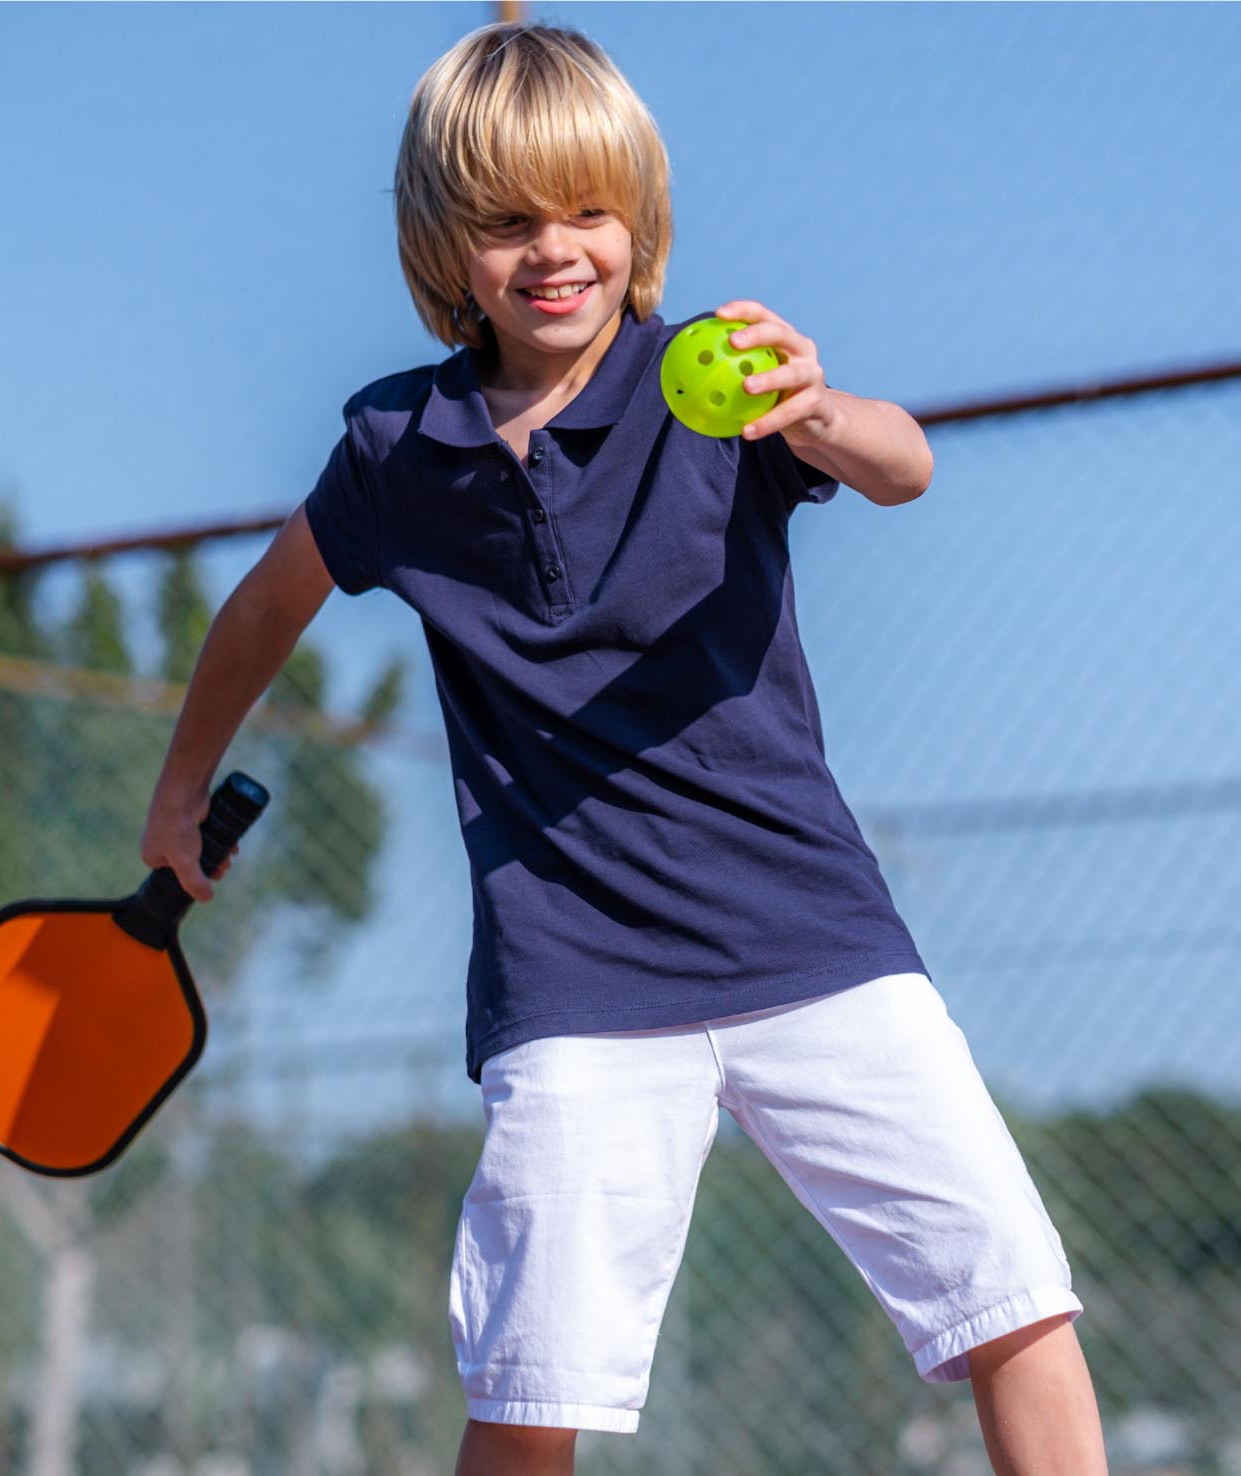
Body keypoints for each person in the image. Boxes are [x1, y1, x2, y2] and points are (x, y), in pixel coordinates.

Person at [141, 20, 1111, 1476]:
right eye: (507, 219)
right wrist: (174, 787)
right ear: (440, 241)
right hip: (574, 990)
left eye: (588, 210)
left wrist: (824, 409)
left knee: (1012, 1300)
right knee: (533, 1391)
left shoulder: (714, 382)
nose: (554, 250)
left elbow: (903, 466)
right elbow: (264, 605)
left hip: (818, 944)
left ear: (638, 222)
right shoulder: (397, 451)